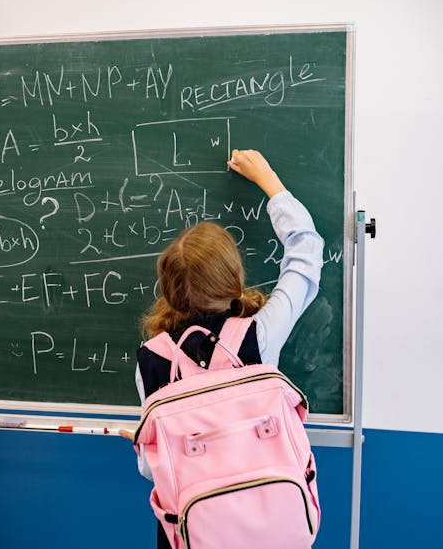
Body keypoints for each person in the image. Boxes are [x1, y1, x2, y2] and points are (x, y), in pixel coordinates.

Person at [120, 149, 324, 549]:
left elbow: (152, 468)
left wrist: (143, 443)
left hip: (194, 532)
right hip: (271, 522)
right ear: (233, 277)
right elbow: (305, 254)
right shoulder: (258, 336)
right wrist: (272, 184)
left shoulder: (151, 359)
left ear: (167, 288)